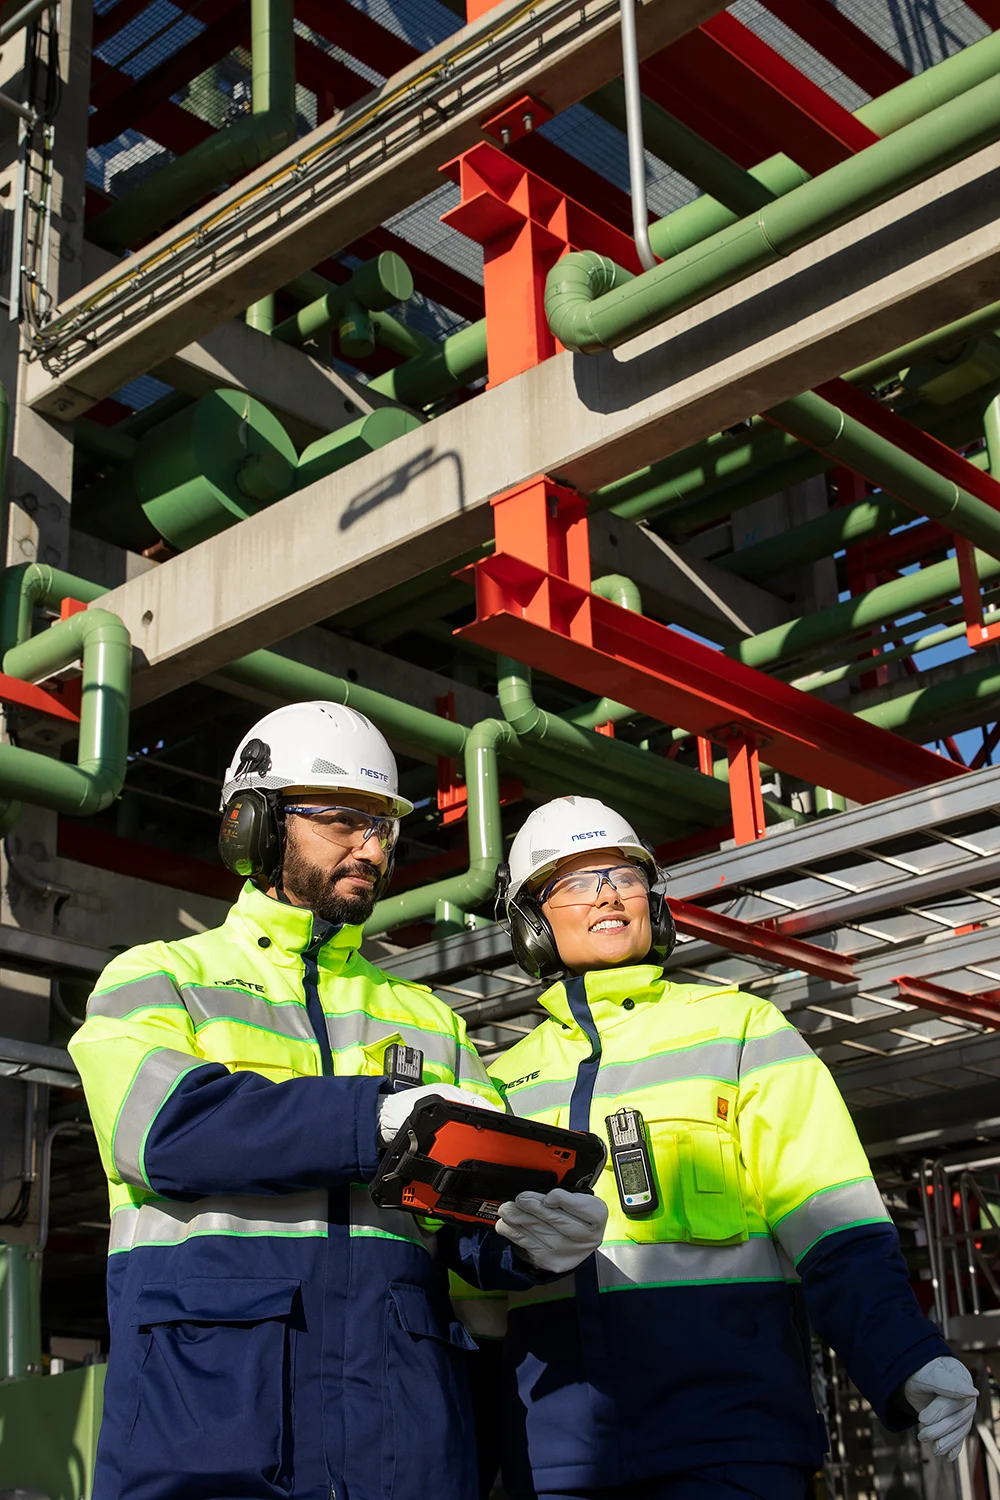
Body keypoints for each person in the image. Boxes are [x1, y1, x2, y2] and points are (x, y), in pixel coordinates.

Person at [69, 705, 606, 1500]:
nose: (373, 848)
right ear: (252, 825)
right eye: (344, 821)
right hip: (206, 1420)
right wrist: (372, 1118)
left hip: (404, 1435)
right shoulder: (157, 977)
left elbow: (467, 1215)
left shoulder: (432, 1021)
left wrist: (527, 1244)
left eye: (385, 827)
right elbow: (165, 1130)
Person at [488, 795, 979, 1500]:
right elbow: (469, 1294)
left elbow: (835, 1225)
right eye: (575, 881)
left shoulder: (744, 1030)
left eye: (626, 877)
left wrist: (906, 1356)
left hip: (729, 1445)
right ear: (532, 921)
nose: (610, 897)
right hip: (557, 1462)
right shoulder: (502, 1082)